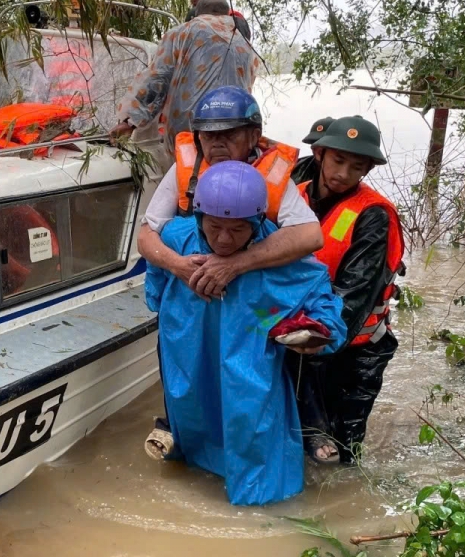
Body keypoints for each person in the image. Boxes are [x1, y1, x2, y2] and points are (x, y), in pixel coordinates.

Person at [145, 161, 346, 505]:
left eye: (237, 230)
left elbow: (322, 305)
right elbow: (155, 290)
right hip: (191, 360)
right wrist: (177, 269)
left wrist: (315, 333)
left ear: (256, 223)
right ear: (199, 218)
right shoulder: (178, 242)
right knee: (194, 433)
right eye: (214, 226)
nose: (223, 239)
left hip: (247, 372)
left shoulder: (278, 257)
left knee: (251, 440)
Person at [289, 116, 406, 465]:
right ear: (320, 154)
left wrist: (316, 339)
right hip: (298, 339)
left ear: (367, 170)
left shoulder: (373, 216)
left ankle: (344, 505)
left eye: (356, 166)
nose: (343, 173)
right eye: (338, 160)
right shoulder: (295, 189)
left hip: (352, 351)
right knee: (294, 435)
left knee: (343, 452)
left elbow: (353, 293)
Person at [136, 86, 321, 300]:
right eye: (209, 135)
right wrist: (179, 266)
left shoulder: (272, 174)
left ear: (254, 136)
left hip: (249, 298)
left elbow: (311, 236)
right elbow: (145, 237)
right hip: (190, 296)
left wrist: (236, 263)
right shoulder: (185, 168)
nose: (217, 144)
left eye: (229, 134)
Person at [110, 0, 257, 155]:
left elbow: (158, 78)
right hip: (234, 135)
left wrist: (130, 121)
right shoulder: (243, 42)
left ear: (197, 13)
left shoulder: (182, 32)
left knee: (189, 174)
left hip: (190, 134)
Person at [290, 116, 335, 184]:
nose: (319, 150)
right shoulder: (296, 168)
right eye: (314, 142)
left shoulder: (347, 174)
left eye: (326, 144)